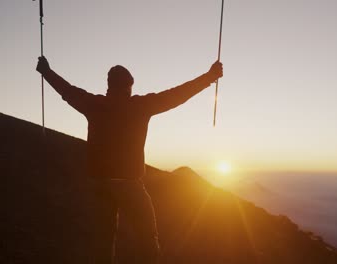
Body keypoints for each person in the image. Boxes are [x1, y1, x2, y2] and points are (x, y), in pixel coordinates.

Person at [36, 56, 223, 264]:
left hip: (100, 184)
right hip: (130, 185)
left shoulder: (94, 104)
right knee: (147, 238)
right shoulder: (140, 106)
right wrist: (209, 77)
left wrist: (46, 71)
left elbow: (67, 91)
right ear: (128, 86)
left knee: (103, 241)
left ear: (109, 85)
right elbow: (176, 95)